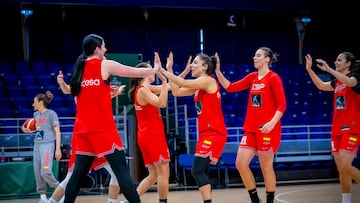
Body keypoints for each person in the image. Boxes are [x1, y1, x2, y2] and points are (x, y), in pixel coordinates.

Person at [63, 33, 160, 203]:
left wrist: (107, 94)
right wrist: (155, 69)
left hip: (83, 130)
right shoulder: (104, 65)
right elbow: (134, 72)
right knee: (122, 172)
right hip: (102, 129)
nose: (106, 49)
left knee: (76, 176)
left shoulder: (79, 69)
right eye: (104, 46)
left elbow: (83, 101)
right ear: (97, 49)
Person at [215, 47, 286, 203]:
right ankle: (255, 199)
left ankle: (269, 200)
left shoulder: (273, 78)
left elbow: (282, 105)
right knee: (240, 163)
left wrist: (272, 123)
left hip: (268, 130)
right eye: (254, 55)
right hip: (251, 129)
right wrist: (218, 71)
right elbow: (230, 87)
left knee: (266, 167)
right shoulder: (252, 77)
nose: (254, 57)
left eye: (258, 55)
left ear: (267, 59)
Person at [47, 70, 126, 203]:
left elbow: (98, 102)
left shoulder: (99, 85)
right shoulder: (82, 84)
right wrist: (62, 83)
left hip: (99, 134)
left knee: (115, 172)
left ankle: (112, 201)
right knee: (71, 177)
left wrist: (113, 94)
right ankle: (51, 201)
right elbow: (68, 90)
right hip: (84, 133)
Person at [160, 53, 228, 203]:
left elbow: (182, 83)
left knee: (196, 170)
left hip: (214, 133)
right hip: (205, 133)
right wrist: (170, 69)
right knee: (201, 170)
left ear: (204, 67)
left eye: (195, 63)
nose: (191, 65)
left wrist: (163, 71)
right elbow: (177, 91)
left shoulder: (207, 81)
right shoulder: (199, 86)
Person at [305, 52, 360, 203]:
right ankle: (346, 200)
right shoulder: (337, 82)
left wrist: (328, 69)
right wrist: (310, 70)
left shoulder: (355, 77)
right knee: (341, 169)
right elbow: (321, 85)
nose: (336, 62)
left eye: (339, 60)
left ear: (348, 64)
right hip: (336, 129)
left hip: (352, 127)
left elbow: (350, 82)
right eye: (335, 60)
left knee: (345, 165)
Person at [127, 52, 173, 203]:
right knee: (163, 173)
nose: (153, 70)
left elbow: (170, 86)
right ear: (144, 73)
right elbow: (162, 103)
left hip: (146, 135)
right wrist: (164, 80)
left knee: (153, 174)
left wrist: (168, 69)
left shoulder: (145, 88)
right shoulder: (143, 90)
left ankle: (131, 199)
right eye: (151, 69)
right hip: (153, 135)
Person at [21, 91, 62, 203]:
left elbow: (58, 132)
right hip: (37, 145)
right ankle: (43, 197)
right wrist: (26, 130)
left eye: (34, 102)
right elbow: (34, 129)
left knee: (45, 171)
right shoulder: (36, 115)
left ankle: (61, 190)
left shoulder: (51, 114)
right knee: (37, 173)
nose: (32, 104)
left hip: (48, 145)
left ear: (40, 102)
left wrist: (57, 149)